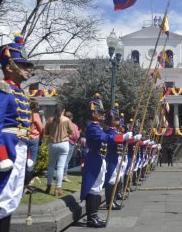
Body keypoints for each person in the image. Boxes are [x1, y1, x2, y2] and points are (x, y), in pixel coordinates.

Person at [0, 35, 34, 231]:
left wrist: (28, 154)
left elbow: (23, 129)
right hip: (6, 150)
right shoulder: (0, 89)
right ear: (9, 67)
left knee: (12, 197)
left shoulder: (20, 92)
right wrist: (0, 156)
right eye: (23, 65)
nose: (28, 70)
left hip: (18, 149)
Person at [80, 94, 125, 228]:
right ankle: (91, 217)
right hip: (94, 159)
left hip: (100, 158)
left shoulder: (97, 127)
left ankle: (94, 215)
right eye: (100, 112)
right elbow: (106, 137)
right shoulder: (92, 127)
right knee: (93, 188)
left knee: (97, 187)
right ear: (94, 113)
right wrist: (123, 137)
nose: (103, 115)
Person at [44, 105, 74, 196]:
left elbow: (46, 132)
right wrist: (67, 133)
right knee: (60, 167)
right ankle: (58, 187)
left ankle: (49, 186)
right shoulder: (67, 120)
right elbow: (72, 132)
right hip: (64, 144)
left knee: (51, 166)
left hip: (53, 144)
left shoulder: (50, 120)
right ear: (63, 111)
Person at [25, 99, 44, 186]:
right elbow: (41, 128)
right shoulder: (35, 115)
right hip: (33, 138)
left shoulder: (25, 113)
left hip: (24, 138)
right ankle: (27, 182)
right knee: (32, 161)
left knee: (24, 160)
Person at [63, 111, 80, 182]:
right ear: (71, 118)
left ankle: (61, 174)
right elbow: (76, 136)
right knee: (66, 160)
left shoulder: (62, 124)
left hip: (62, 142)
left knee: (62, 160)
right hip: (70, 143)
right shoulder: (73, 125)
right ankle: (64, 175)